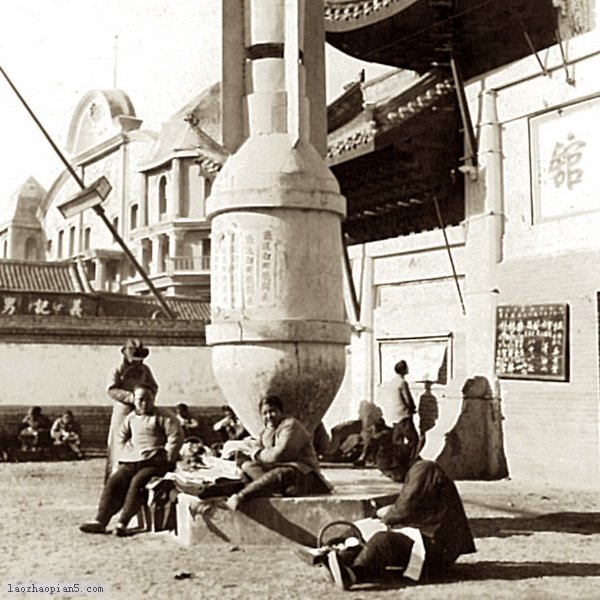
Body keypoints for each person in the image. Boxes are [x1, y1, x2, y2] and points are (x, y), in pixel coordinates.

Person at [303, 443, 476, 591]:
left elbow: (405, 508)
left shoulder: (424, 469)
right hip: (428, 537)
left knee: (382, 540)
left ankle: (354, 573)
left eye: (389, 474)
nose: (391, 479)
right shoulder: (417, 472)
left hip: (437, 548)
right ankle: (335, 555)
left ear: (397, 466)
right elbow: (411, 504)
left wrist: (388, 513)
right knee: (363, 528)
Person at [79, 384, 184, 537]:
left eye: (148, 399)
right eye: (140, 400)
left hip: (155, 461)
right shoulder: (131, 418)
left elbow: (175, 437)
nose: (144, 403)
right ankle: (100, 521)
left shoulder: (163, 416)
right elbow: (121, 438)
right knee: (114, 481)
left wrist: (169, 458)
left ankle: (122, 523)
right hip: (133, 460)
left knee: (137, 482)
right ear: (134, 400)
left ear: (153, 399)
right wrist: (127, 454)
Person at [225, 395, 331, 510]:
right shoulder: (266, 432)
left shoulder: (291, 425)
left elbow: (280, 455)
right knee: (247, 467)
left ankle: (241, 496)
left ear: (281, 411)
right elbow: (260, 453)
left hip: (305, 474)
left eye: (272, 411)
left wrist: (256, 453)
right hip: (277, 474)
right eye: (265, 413)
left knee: (281, 473)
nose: (268, 416)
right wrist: (246, 454)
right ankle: (217, 490)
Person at [105, 339, 158, 480]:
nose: (137, 362)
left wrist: (147, 398)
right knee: (118, 442)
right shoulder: (117, 369)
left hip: (141, 410)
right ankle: (115, 476)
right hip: (123, 409)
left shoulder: (145, 370)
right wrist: (131, 397)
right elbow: (111, 389)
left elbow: (153, 386)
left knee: (140, 439)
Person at [376, 360, 419, 459]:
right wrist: (412, 408)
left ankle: (396, 461)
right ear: (403, 370)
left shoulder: (392, 382)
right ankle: (409, 459)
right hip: (403, 414)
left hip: (394, 414)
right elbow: (407, 398)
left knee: (397, 441)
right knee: (413, 439)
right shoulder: (402, 382)